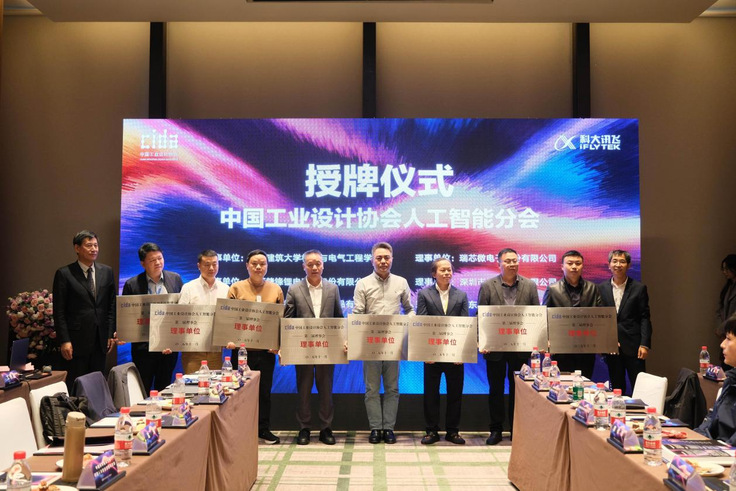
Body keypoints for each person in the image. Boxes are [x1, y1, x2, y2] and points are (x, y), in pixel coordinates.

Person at [352, 241, 414, 444]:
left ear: (392, 259)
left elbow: (409, 309)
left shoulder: (401, 282)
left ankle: (388, 428)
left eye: (386, 258)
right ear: (372, 260)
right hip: (370, 343)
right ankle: (375, 428)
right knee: (371, 389)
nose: (383, 261)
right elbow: (357, 313)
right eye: (379, 258)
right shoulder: (363, 283)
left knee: (392, 388)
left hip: (393, 343)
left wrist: (409, 322)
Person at [478, 248, 540, 445]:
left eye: (515, 260)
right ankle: (496, 430)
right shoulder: (487, 286)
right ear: (499, 263)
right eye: (508, 261)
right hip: (495, 348)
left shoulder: (530, 285)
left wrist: (537, 341)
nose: (512, 264)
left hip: (520, 348)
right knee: (495, 390)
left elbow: (536, 316)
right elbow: (481, 316)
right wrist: (482, 341)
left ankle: (517, 430)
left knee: (518, 391)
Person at [284, 250, 343, 446]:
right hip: (304, 348)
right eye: (310, 264)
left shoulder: (333, 289)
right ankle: (304, 428)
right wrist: (286, 347)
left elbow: (338, 318)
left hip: (327, 348)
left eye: (318, 263)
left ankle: (326, 428)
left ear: (323, 265)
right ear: (304, 266)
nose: (315, 267)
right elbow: (288, 320)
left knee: (326, 389)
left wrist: (342, 342)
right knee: (304, 389)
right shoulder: (294, 289)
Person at [227, 249, 284, 444]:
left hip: (266, 353)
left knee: (264, 392)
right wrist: (229, 339)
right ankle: (241, 431)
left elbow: (280, 321)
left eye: (262, 263)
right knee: (240, 393)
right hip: (242, 353)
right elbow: (228, 319)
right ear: (247, 266)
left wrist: (278, 345)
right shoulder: (236, 288)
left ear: (267, 266)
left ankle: (263, 429)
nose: (258, 267)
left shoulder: (275, 289)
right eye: (254, 263)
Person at [53, 230, 116, 391]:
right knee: (77, 385)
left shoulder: (106, 271)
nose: (94, 249)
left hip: (100, 339)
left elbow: (111, 306)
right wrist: (64, 340)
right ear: (77, 248)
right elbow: (59, 311)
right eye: (89, 245)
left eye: (96, 245)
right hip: (76, 341)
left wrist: (110, 333)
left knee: (97, 385)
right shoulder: (64, 273)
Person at [416, 258, 468, 446]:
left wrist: (461, 353)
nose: (447, 273)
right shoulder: (424, 294)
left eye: (449, 270)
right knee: (431, 394)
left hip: (455, 353)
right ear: (434, 274)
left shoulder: (461, 295)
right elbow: (422, 322)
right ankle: (431, 431)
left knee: (455, 393)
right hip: (432, 353)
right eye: (443, 270)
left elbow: (464, 326)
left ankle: (453, 431)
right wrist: (426, 352)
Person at [121, 242, 183, 392]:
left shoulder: (175, 279)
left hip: (168, 348)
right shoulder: (132, 284)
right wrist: (123, 333)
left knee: (165, 388)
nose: (158, 263)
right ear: (143, 263)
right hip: (143, 348)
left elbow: (182, 311)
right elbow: (126, 315)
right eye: (152, 260)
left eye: (160, 258)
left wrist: (174, 341)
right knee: (143, 387)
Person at [598, 250, 652, 395]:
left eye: (622, 261)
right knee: (617, 387)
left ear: (628, 265)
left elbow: (645, 318)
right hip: (612, 347)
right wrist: (604, 342)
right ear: (609, 265)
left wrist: (645, 344)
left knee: (639, 387)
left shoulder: (639, 288)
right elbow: (599, 318)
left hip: (634, 346)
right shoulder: (601, 288)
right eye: (614, 261)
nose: (618, 264)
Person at [543, 250, 602, 378]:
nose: (574, 267)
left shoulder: (592, 288)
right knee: (562, 384)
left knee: (585, 382)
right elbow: (544, 318)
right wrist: (546, 340)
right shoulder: (552, 289)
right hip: (561, 347)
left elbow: (600, 317)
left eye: (578, 263)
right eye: (570, 263)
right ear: (562, 266)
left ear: (582, 266)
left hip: (586, 345)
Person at [172, 249, 229, 373]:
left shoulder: (225, 289)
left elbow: (228, 318)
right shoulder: (189, 288)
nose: (211, 268)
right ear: (199, 266)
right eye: (207, 264)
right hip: (193, 349)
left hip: (215, 350)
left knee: (215, 383)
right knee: (193, 383)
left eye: (214, 264)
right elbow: (180, 317)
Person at [696, 314, 736, 444]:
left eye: (728, 339)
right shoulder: (730, 381)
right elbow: (710, 424)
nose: (722, 344)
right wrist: (692, 438)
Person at [717, 255, 736, 368]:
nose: (725, 272)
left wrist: (723, 328)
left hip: (732, 328)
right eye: (723, 269)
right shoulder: (728, 287)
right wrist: (719, 327)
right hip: (724, 330)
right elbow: (720, 309)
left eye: (727, 269)